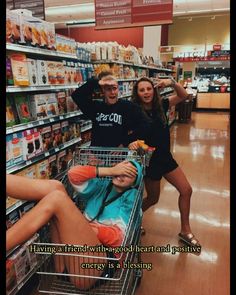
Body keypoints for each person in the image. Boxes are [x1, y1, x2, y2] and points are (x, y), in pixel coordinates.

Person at [6, 159, 143, 290]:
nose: (121, 175)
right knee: (56, 187)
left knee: (57, 199)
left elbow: (119, 239)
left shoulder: (131, 198)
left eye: (128, 174)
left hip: (98, 265)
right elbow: (73, 174)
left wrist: (83, 226)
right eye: (121, 170)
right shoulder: (102, 187)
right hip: (69, 261)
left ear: (134, 183)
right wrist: (109, 170)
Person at [128, 76, 200, 247]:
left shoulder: (162, 105)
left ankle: (185, 230)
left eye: (149, 89)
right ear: (137, 94)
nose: (146, 92)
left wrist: (173, 83)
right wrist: (130, 141)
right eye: (142, 90)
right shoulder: (134, 112)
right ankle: (131, 220)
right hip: (149, 161)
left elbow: (184, 96)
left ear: (154, 90)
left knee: (186, 190)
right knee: (153, 199)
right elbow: (126, 134)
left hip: (165, 158)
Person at [71, 71, 151, 147]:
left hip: (118, 156)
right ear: (103, 91)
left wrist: (125, 142)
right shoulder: (95, 107)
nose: (112, 92)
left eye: (114, 88)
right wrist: (98, 82)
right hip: (97, 156)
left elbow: (146, 125)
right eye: (108, 89)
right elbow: (77, 95)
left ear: (118, 89)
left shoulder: (127, 107)